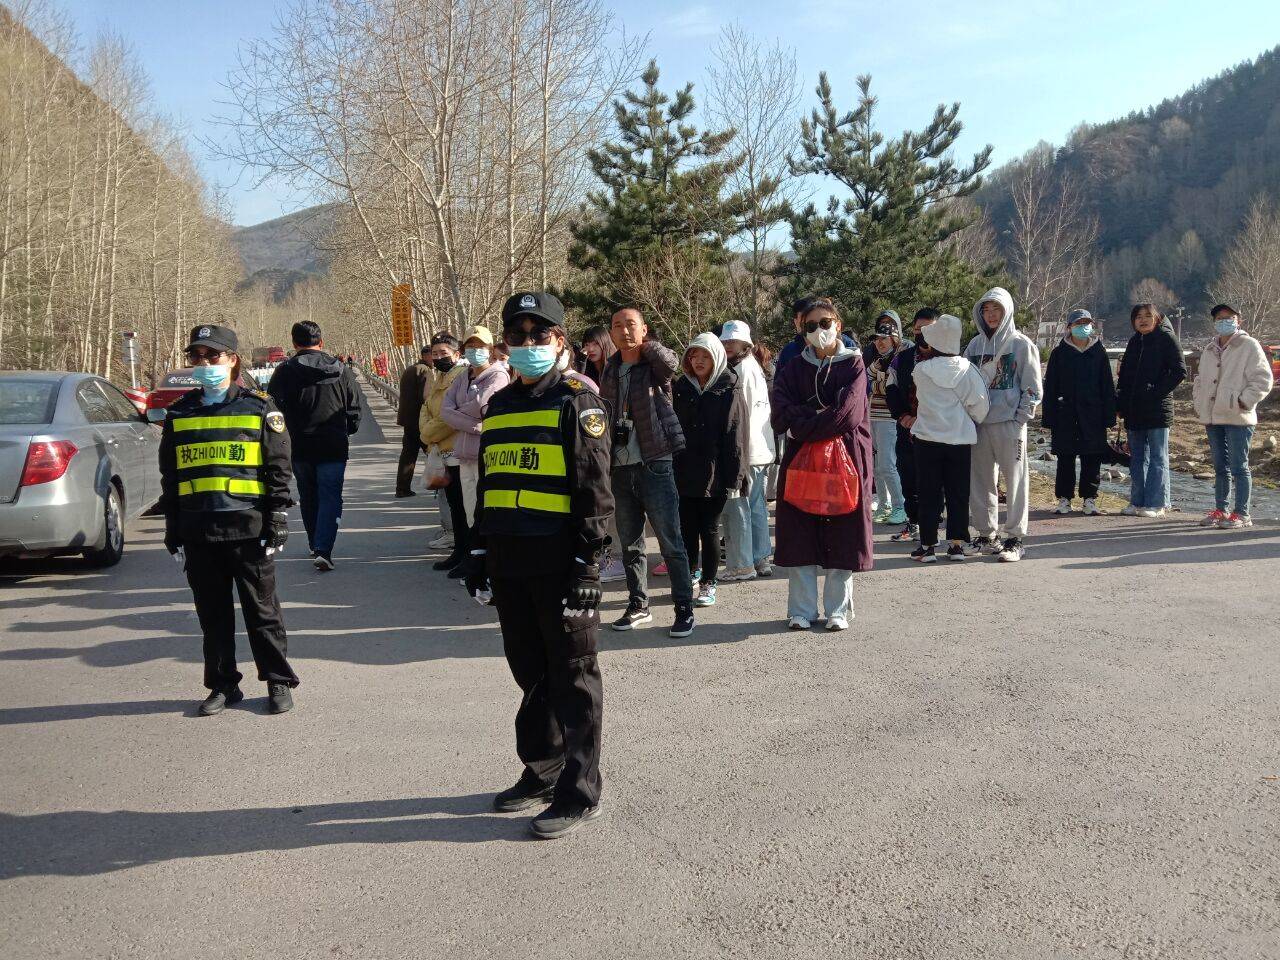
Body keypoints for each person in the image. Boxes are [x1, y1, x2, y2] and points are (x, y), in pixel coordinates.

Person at [463, 291, 613, 840]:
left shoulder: (578, 403)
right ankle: (544, 769)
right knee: (530, 673)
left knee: (573, 677)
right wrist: (478, 552)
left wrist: (588, 568)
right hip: (510, 562)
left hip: (560, 565)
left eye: (539, 335)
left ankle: (579, 790)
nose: (527, 344)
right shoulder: (500, 404)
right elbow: (491, 484)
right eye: (517, 336)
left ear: (559, 341)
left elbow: (595, 494)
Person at [159, 325, 299, 716]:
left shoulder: (259, 408)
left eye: (213, 355)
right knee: (212, 615)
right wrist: (173, 527)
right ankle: (223, 685)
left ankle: (278, 680)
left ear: (232, 359)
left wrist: (277, 517)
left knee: (262, 612)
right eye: (197, 356)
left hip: (248, 528)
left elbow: (278, 467)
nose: (204, 363)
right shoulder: (180, 412)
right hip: (199, 530)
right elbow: (171, 476)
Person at [771, 298, 874, 631]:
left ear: (838, 325)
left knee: (843, 531)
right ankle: (801, 610)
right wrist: (819, 417)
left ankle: (838, 610)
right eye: (811, 325)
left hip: (847, 460)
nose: (819, 330)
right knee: (800, 532)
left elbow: (848, 415)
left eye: (825, 323)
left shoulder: (854, 365)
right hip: (802, 462)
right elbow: (780, 414)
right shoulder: (793, 368)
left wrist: (803, 422)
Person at [600, 307, 695, 638]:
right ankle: (638, 605)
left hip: (655, 463)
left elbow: (671, 363)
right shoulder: (610, 370)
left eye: (631, 325)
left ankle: (683, 607)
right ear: (610, 333)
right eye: (617, 326)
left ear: (644, 329)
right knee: (630, 545)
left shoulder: (654, 366)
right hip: (620, 467)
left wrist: (646, 345)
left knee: (671, 542)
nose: (624, 331)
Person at [266, 320, 361, 572]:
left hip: (299, 445)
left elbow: (272, 410)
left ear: (294, 343)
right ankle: (323, 548)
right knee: (330, 496)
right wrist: (347, 429)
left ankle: (313, 542)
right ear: (321, 342)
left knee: (308, 495)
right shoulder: (341, 369)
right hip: (333, 444)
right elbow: (353, 408)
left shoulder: (285, 371)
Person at [963, 287, 1042, 563]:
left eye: (996, 308)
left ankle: (1015, 538)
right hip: (979, 424)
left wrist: (1021, 418)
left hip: (1010, 424)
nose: (991, 314)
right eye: (986, 309)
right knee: (980, 481)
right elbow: (964, 383)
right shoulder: (974, 346)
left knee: (1016, 480)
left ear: (1007, 311)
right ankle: (986, 534)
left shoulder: (1021, 344)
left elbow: (1032, 387)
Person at [672, 333, 749, 607]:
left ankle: (708, 582)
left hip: (715, 472)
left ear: (717, 358)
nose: (699, 361)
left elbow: (736, 435)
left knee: (709, 529)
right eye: (695, 355)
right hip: (684, 469)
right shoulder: (681, 387)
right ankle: (690, 574)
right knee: (687, 528)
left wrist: (736, 476)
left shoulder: (729, 388)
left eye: (706, 356)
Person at [908, 313, 990, 562]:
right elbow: (980, 406)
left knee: (928, 493)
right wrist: (968, 417)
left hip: (927, 439)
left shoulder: (921, 370)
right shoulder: (969, 370)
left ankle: (928, 545)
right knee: (958, 493)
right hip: (959, 439)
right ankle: (956, 544)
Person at [1192, 304, 1274, 528]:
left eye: (1229, 317)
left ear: (1239, 321)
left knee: (1239, 466)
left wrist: (1243, 401)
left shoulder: (1249, 345)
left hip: (1238, 416)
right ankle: (1221, 509)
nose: (1224, 321)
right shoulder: (1209, 349)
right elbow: (1200, 380)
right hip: (1212, 417)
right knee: (1220, 467)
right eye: (1219, 318)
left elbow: (1263, 379)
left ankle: (1242, 513)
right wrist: (1200, 402)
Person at [440, 326, 510, 579]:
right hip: (464, 455)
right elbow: (445, 410)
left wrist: (462, 415)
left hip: (487, 456)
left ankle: (491, 568)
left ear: (490, 349)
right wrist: (476, 425)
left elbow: (483, 406)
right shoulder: (463, 376)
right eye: (470, 346)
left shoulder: (498, 376)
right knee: (471, 513)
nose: (474, 351)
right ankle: (477, 565)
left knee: (488, 514)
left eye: (480, 346)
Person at [1116, 302, 1187, 518]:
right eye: (1138, 317)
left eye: (1148, 316)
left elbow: (1179, 371)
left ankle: (1157, 503)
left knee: (1158, 457)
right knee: (1137, 458)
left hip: (1157, 410)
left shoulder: (1166, 338)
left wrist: (1155, 392)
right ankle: (1137, 502)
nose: (1143, 320)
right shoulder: (1134, 341)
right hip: (1134, 410)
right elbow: (1125, 376)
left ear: (1156, 318)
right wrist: (1120, 405)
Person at [1042, 309, 1116, 516]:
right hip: (1065, 414)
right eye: (1078, 323)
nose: (1083, 327)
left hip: (1093, 415)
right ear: (1069, 327)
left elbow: (1107, 386)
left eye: (1086, 323)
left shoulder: (1099, 352)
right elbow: (1051, 387)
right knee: (1065, 458)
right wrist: (1049, 418)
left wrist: (1109, 416)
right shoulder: (1059, 354)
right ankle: (1064, 499)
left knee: (1092, 458)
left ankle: (1089, 500)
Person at [719, 320, 775, 582]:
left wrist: (734, 451)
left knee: (739, 506)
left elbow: (742, 417)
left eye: (733, 340)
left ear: (745, 343)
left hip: (746, 450)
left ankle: (744, 562)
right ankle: (760, 557)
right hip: (758, 448)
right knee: (755, 505)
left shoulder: (741, 370)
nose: (729, 344)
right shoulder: (751, 366)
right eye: (726, 340)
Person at [419, 332, 468, 570]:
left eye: (444, 353)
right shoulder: (439, 376)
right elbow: (426, 408)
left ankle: (467, 554)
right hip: (443, 450)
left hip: (458, 451)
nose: (438, 357)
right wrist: (426, 431)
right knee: (454, 505)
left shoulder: (462, 377)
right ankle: (459, 552)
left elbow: (450, 416)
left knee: (463, 506)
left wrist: (427, 434)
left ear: (457, 354)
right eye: (435, 353)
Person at [884, 309, 929, 543]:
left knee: (932, 480)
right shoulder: (902, 358)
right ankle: (913, 522)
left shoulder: (948, 357)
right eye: (918, 329)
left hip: (936, 430)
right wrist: (902, 415)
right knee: (907, 476)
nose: (922, 334)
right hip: (906, 427)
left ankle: (932, 526)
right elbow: (890, 388)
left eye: (928, 329)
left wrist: (925, 418)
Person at [866, 310, 910, 525]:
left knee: (887, 464)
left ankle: (900, 506)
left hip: (888, 418)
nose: (879, 342)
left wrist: (877, 383)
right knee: (877, 466)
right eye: (877, 339)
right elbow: (868, 380)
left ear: (894, 338)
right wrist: (878, 382)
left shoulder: (899, 359)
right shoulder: (879, 360)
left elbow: (889, 388)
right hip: (872, 415)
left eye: (884, 338)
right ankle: (884, 505)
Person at [776, 296, 859, 371]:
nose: (818, 328)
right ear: (796, 322)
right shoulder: (790, 352)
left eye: (824, 322)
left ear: (837, 325)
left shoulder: (847, 344)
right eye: (810, 323)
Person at [395, 346, 433, 498]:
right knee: (433, 453)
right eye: (433, 354)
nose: (436, 358)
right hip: (419, 420)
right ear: (426, 356)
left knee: (408, 454)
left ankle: (402, 488)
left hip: (408, 419)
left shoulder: (410, 369)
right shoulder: (425, 371)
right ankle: (441, 484)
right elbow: (426, 397)